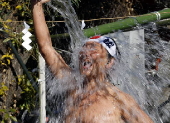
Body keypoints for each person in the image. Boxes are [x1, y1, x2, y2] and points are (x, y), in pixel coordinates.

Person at [31, 0, 154, 122]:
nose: (86, 53)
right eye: (84, 47)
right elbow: (46, 47)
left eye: (93, 49)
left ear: (109, 62)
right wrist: (36, 5)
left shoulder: (120, 100)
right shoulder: (72, 85)